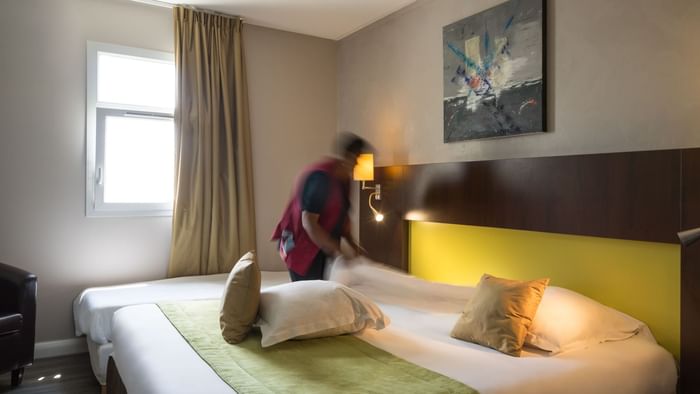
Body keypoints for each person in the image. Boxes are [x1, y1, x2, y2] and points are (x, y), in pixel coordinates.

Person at [272, 133, 368, 281]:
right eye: (358, 160)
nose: (358, 165)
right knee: (309, 292)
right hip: (300, 243)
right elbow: (309, 223)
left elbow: (342, 218)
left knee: (322, 289)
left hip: (321, 243)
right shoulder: (321, 179)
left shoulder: (344, 180)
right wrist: (338, 251)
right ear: (348, 157)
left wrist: (353, 245)